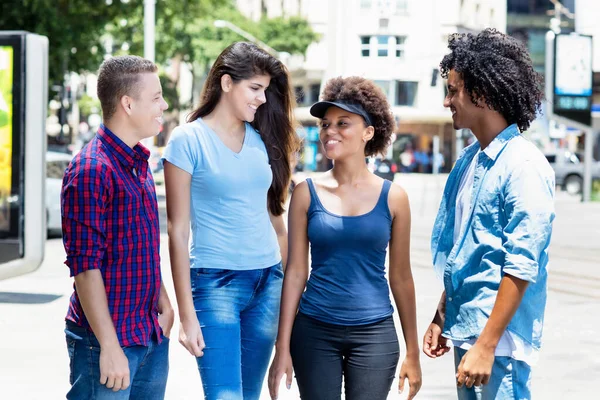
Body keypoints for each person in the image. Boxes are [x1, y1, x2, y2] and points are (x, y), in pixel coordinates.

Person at [268, 76, 422, 400]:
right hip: (314, 331)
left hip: (375, 334)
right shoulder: (305, 193)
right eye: (325, 124)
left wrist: (413, 352)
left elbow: (402, 277)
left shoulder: (394, 198)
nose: (330, 131)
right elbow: (296, 272)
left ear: (369, 132)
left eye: (343, 123)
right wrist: (282, 347)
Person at [422, 29, 555, 399]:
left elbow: (521, 265)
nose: (447, 101)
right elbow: (467, 251)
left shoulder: (523, 165)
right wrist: (441, 315)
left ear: (481, 93)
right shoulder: (470, 161)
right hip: (470, 331)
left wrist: (487, 344)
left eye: (453, 90)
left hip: (499, 346)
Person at [162, 42, 298, 400]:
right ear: (226, 83)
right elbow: (177, 231)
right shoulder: (186, 140)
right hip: (215, 285)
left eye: (266, 91)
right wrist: (187, 315)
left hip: (268, 283)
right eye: (254, 88)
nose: (262, 99)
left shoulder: (264, 141)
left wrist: (287, 292)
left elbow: (276, 221)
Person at [61, 55, 173, 399]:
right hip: (104, 344)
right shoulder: (92, 169)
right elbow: (85, 267)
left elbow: (139, 248)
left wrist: (164, 301)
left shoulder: (138, 163)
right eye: (156, 97)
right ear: (127, 103)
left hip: (148, 334)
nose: (164, 105)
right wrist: (109, 347)